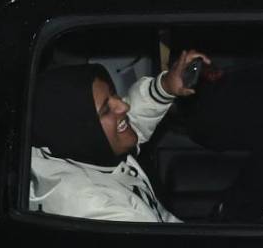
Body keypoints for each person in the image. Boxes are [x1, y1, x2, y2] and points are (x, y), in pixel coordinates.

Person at [28, 49, 210, 223]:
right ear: (79, 134)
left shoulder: (69, 148)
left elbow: (129, 124)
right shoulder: (104, 211)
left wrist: (165, 87)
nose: (123, 106)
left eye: (113, 93)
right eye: (106, 109)